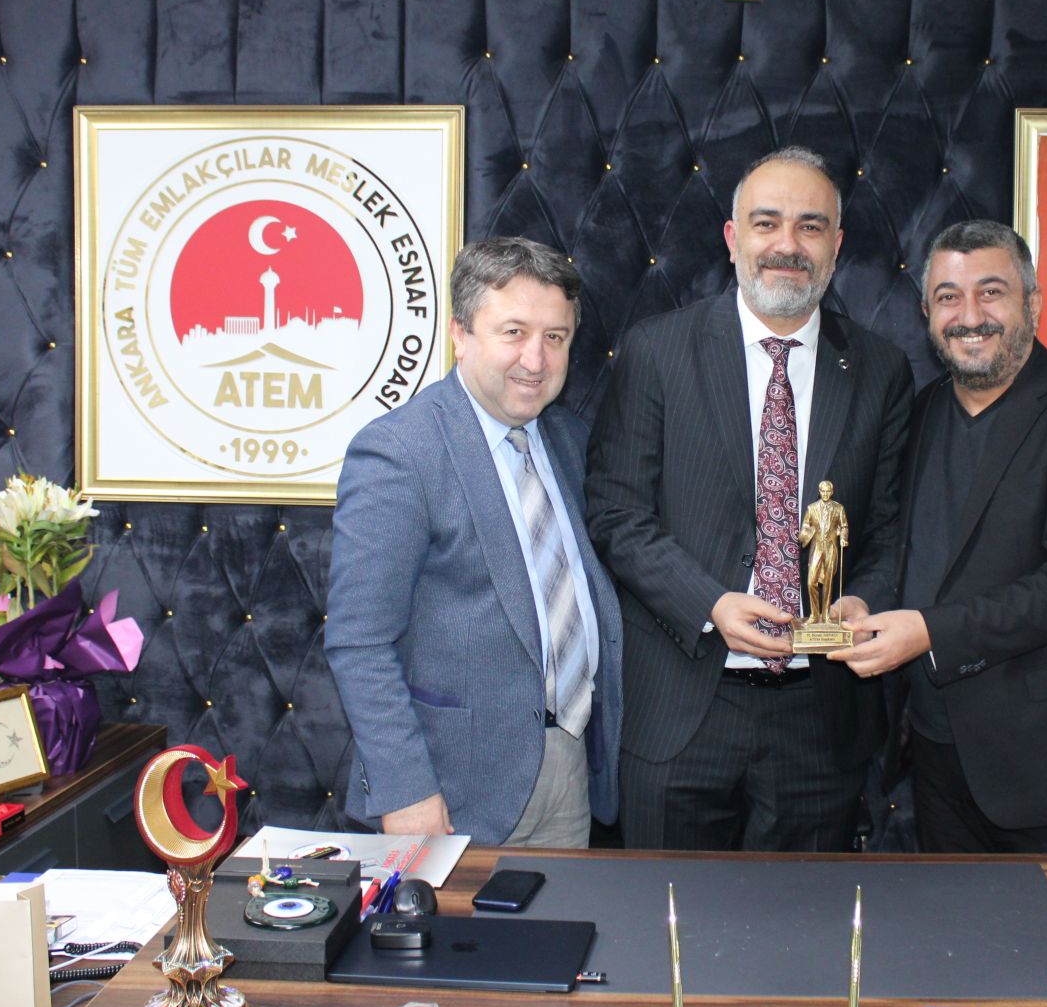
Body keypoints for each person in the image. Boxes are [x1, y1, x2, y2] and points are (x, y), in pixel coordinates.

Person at [586, 146, 912, 852]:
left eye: (810, 226)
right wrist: (709, 603)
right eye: (767, 223)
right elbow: (616, 513)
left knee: (805, 922)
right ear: (733, 238)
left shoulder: (882, 370)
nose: (787, 244)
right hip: (679, 708)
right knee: (666, 912)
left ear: (837, 245)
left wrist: (864, 598)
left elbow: (888, 528)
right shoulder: (657, 351)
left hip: (820, 719)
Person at [832, 220, 1047, 853]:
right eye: (948, 297)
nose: (969, 316)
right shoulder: (920, 412)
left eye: (991, 292)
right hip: (934, 755)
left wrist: (929, 632)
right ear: (927, 313)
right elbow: (907, 547)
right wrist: (864, 600)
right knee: (953, 920)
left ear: (1033, 303)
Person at [326, 237, 623, 846]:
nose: (535, 359)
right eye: (513, 332)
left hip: (570, 770)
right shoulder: (400, 452)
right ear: (460, 334)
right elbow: (359, 641)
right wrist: (406, 790)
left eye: (556, 337)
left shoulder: (569, 439)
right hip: (450, 791)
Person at [797, 481, 848, 627]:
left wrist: (843, 538)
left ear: (832, 492)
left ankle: (825, 615)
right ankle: (814, 614)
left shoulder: (839, 508)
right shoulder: (811, 508)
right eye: (823, 491)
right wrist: (808, 533)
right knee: (811, 581)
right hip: (816, 547)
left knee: (828, 582)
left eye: (828, 491)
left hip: (831, 547)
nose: (825, 494)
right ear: (819, 491)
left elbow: (844, 526)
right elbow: (805, 525)